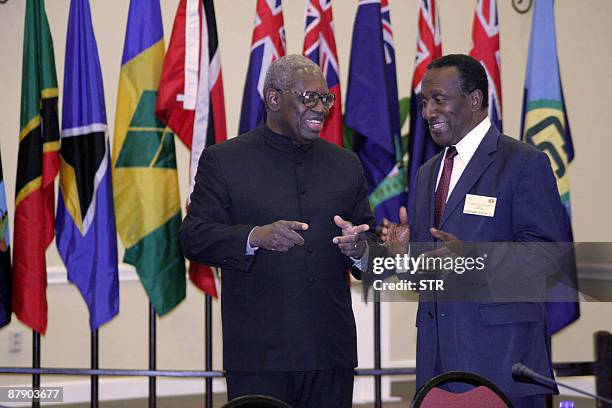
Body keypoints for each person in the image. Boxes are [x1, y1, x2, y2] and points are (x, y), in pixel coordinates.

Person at [180, 54, 375, 408]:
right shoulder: (224, 161)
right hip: (259, 356)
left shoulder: (345, 164)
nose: (321, 108)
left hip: (330, 353)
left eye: (326, 98)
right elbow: (194, 236)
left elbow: (370, 241)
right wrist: (255, 237)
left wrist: (360, 247)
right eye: (308, 98)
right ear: (273, 98)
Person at [377, 54, 565, 407]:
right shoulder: (426, 173)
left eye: (439, 100)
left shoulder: (523, 163)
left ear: (474, 100)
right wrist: (405, 258)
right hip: (437, 367)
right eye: (424, 103)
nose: (428, 112)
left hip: (502, 363)